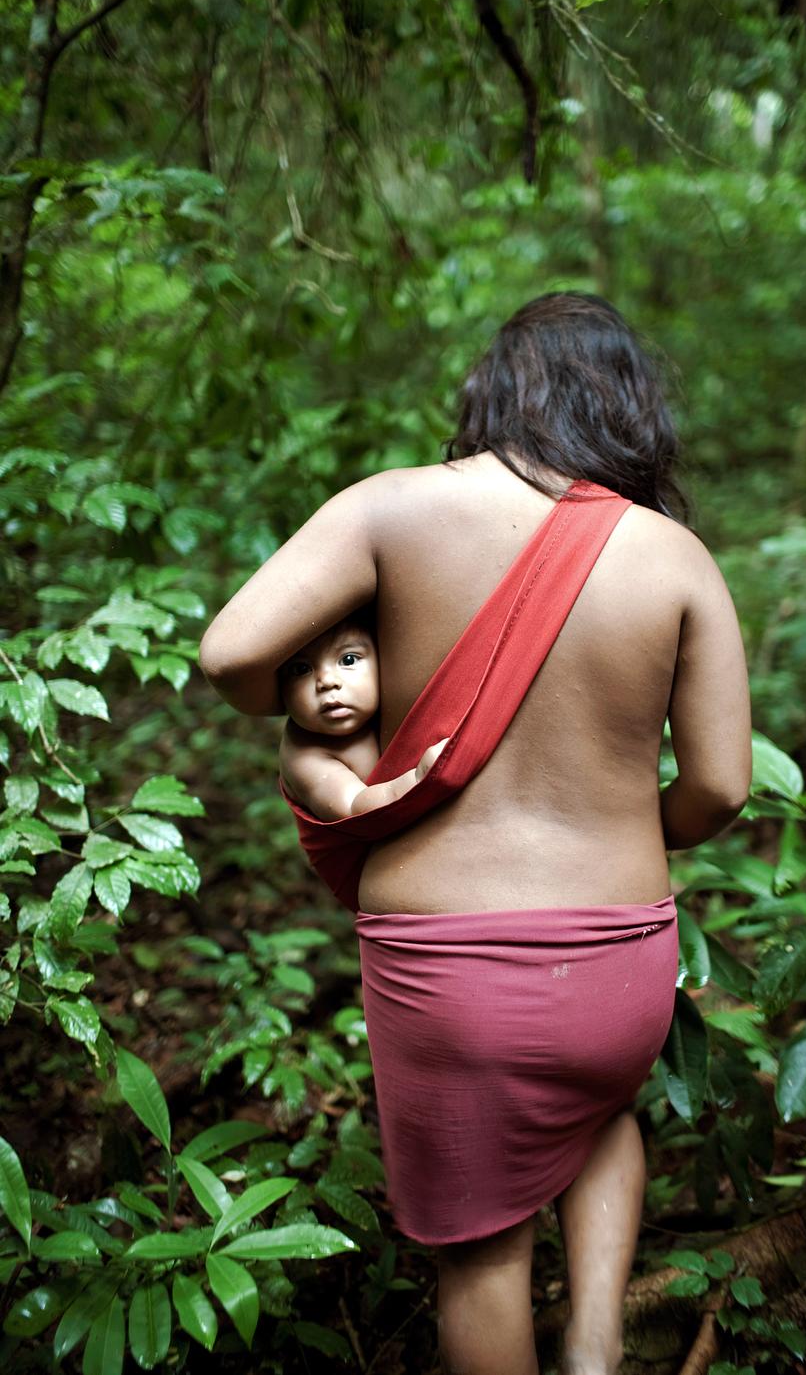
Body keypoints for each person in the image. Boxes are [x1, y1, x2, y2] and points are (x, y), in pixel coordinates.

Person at [199, 290, 752, 1375]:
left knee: (483, 1259)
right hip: (616, 962)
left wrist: (318, 730)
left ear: (493, 395)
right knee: (597, 1111)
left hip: (445, 973)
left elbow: (229, 656)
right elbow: (722, 790)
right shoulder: (674, 557)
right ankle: (594, 1349)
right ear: (629, 412)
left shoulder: (386, 510)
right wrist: (613, 821)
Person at [277, 615, 448, 820]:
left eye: (348, 659)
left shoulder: (390, 700)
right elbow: (353, 806)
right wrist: (419, 779)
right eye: (301, 669)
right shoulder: (303, 755)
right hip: (367, 849)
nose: (327, 681)